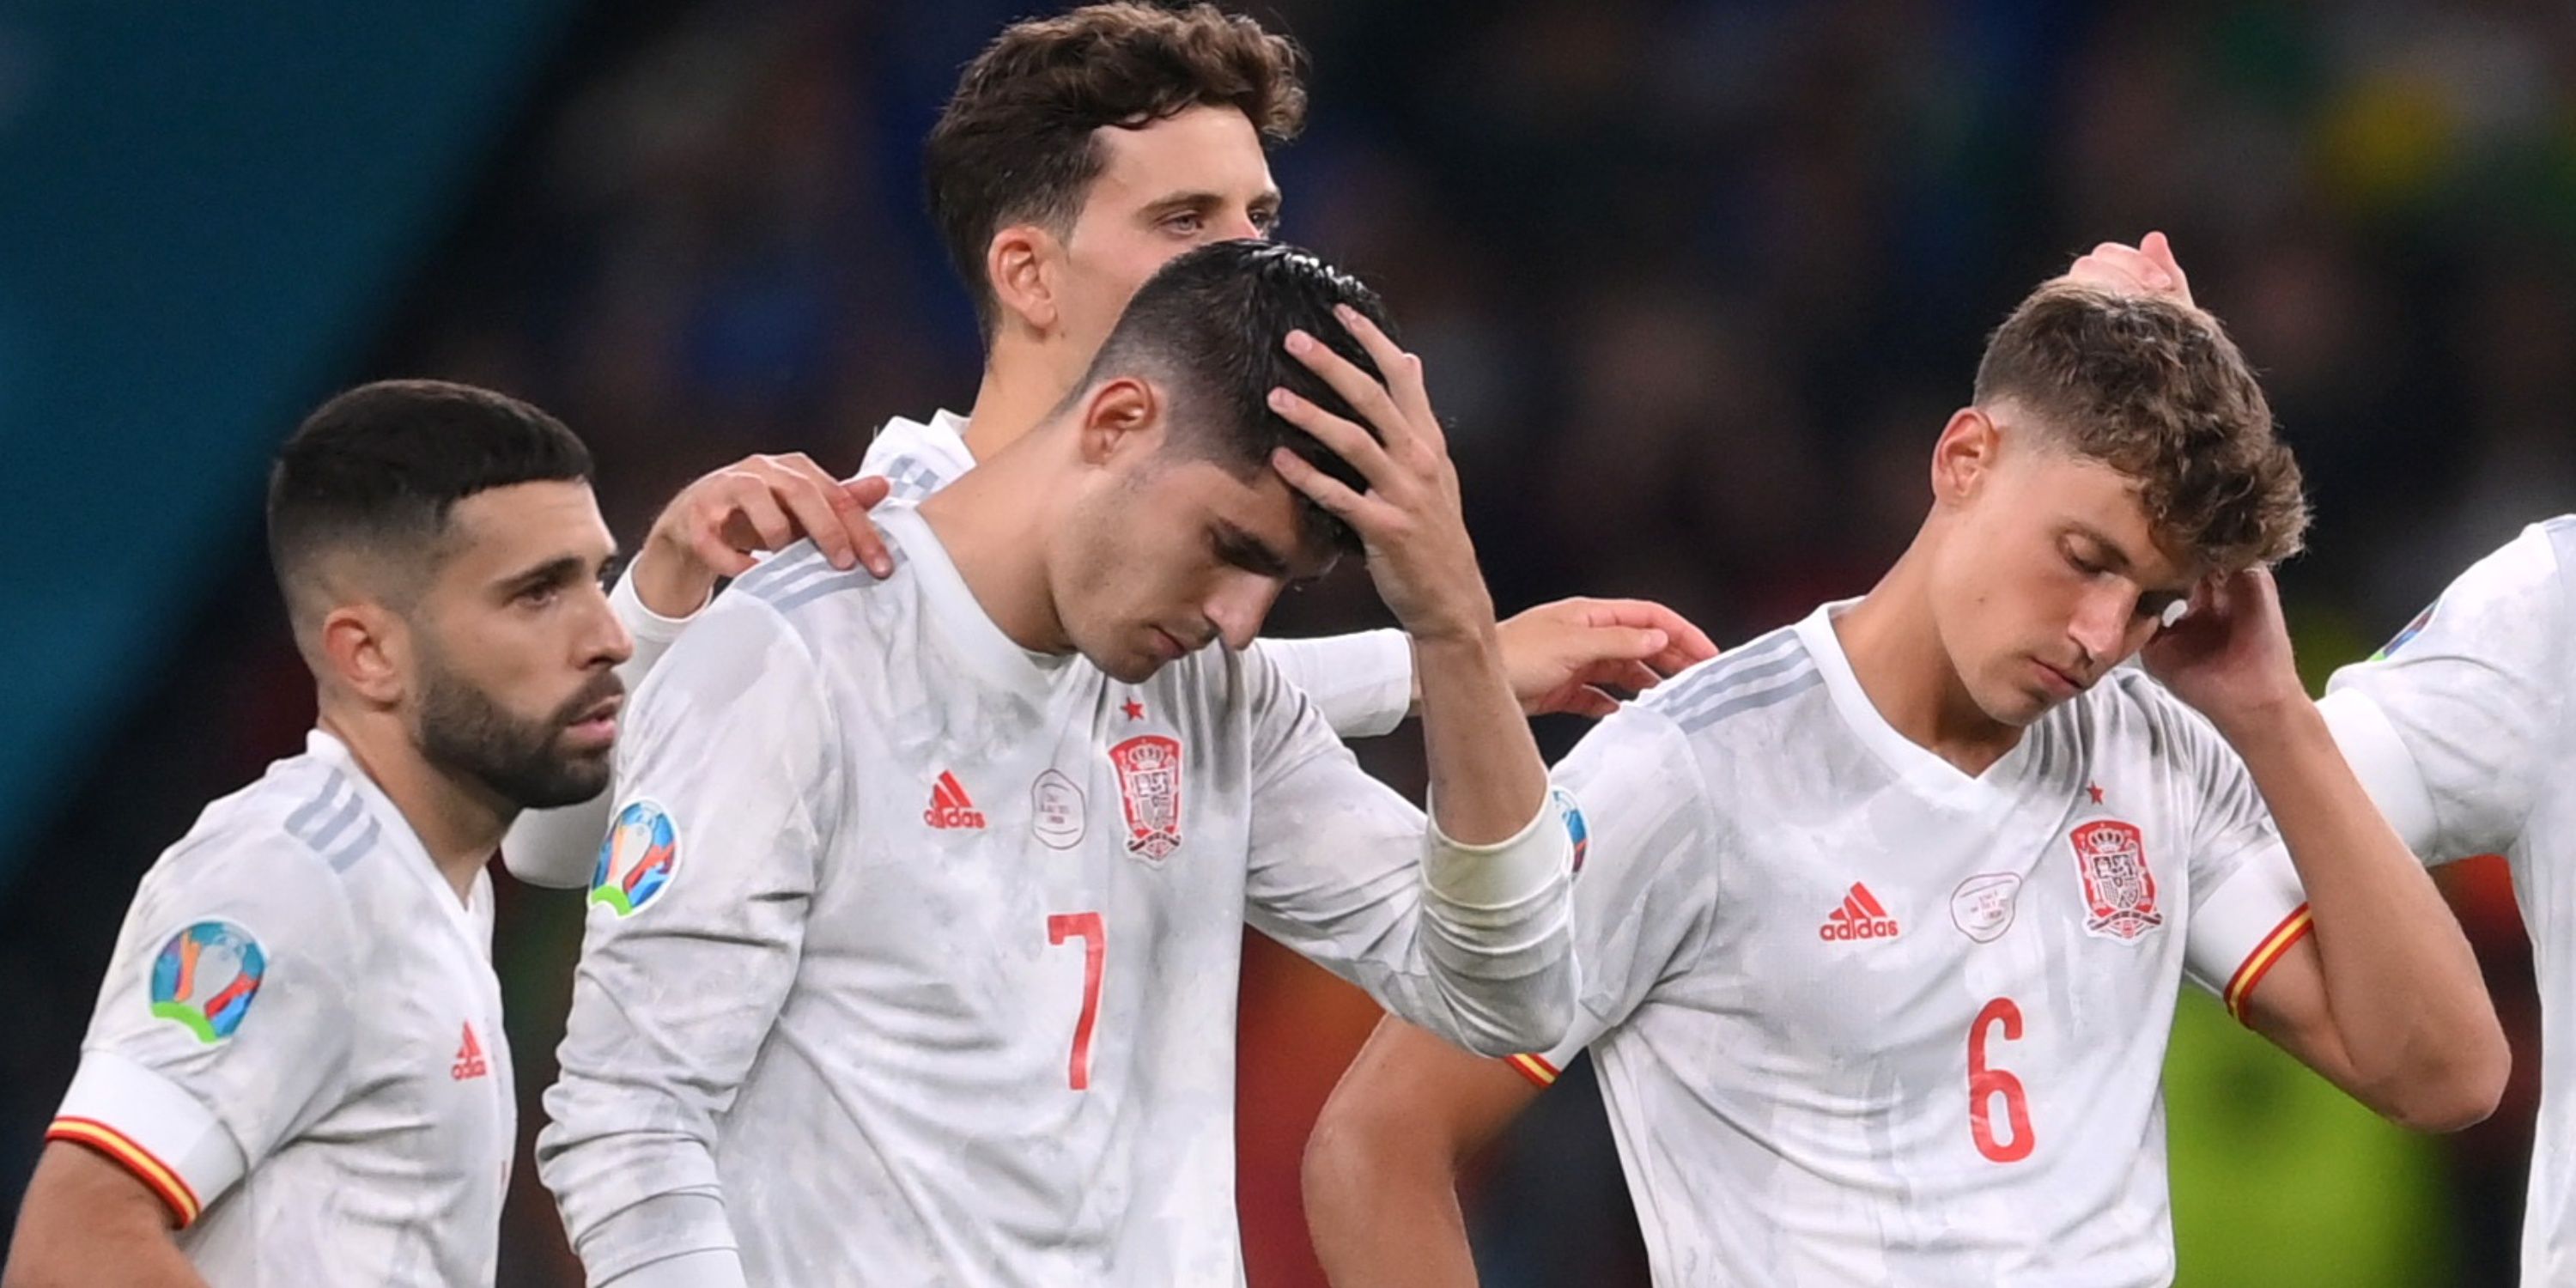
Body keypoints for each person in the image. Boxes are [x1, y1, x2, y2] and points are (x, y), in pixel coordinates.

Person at [1299, 249, 2509, 1286]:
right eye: (2083, 557)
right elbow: (1377, 1145)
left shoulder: (2152, 753)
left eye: (2150, 601)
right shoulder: (1694, 771)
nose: (2101, 637)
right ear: (1965, 459)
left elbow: (2446, 1074)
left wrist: (2272, 716)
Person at [537, 240, 1647, 1285]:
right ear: (1118, 419)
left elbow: (1505, 995)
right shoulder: (792, 663)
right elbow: (626, 1119)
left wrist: (1454, 630)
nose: (1240, 622)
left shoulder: (1211, 695)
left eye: (1281, 584)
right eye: (1230, 549)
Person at [497, 1, 1694, 890]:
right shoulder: (847, 549)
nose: (1245, 262)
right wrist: (655, 602)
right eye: (1185, 222)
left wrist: (1444, 659)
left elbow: (1140, 691)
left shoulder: (1194, 570)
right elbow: (560, 857)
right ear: (1027, 272)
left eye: (1261, 219)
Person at [2, 381, 631, 1287]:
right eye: (537, 594)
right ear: (367, 654)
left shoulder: (426, 875)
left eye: (595, 578)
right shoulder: (291, 878)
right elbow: (68, 1256)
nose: (605, 635)